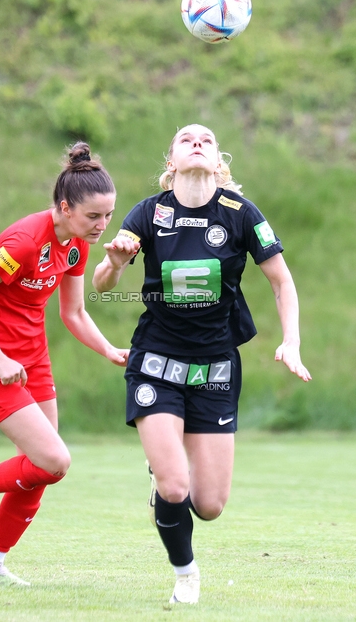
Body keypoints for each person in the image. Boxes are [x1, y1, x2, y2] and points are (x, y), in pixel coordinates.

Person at [92, 124, 311, 604]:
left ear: (218, 161)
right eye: (186, 138)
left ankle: (167, 490)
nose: (196, 142)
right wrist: (114, 261)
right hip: (155, 360)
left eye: (206, 140)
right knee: (174, 486)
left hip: (214, 367)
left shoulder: (240, 215)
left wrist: (291, 341)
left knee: (208, 504)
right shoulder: (148, 213)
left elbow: (282, 282)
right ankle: (186, 575)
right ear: (170, 161)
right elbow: (101, 285)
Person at [0, 142, 128, 586]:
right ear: (65, 208)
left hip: (32, 358)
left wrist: (108, 349)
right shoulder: (25, 242)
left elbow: (74, 313)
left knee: (39, 471)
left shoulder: (76, 244)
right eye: (93, 217)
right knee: (53, 460)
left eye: (108, 216)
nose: (102, 226)